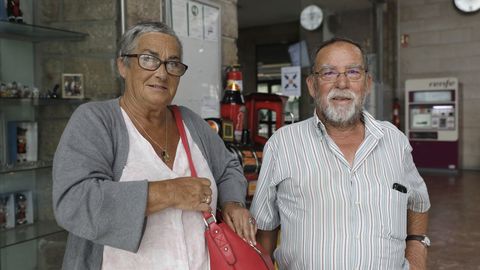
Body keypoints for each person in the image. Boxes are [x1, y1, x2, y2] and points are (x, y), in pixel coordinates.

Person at [53, 22, 255, 270]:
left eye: (173, 63)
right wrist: (169, 192)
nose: (162, 73)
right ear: (122, 66)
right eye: (149, 59)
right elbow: (73, 202)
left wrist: (233, 203)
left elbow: (228, 167)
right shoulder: (96, 120)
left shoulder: (189, 122)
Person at [250, 37, 430, 270]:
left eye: (353, 72)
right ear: (312, 85)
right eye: (328, 73)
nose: (342, 83)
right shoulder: (283, 144)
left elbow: (418, 201)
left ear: (367, 83)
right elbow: (265, 227)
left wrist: (417, 247)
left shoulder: (395, 141)